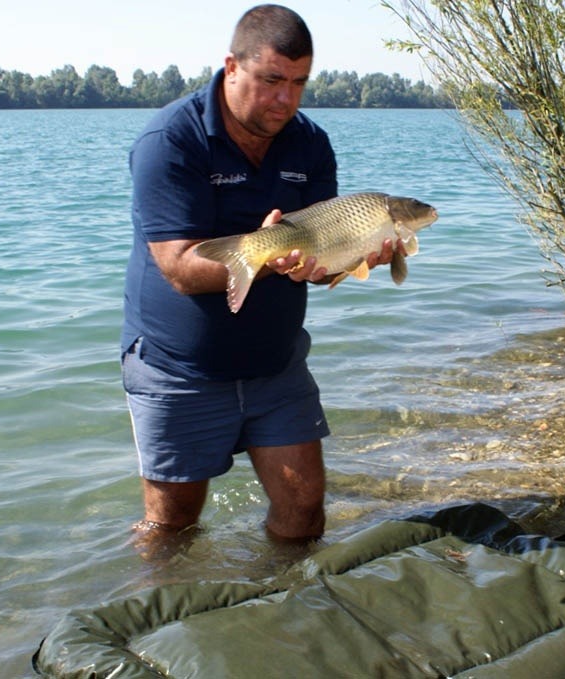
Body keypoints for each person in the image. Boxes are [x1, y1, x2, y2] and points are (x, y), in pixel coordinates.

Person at [121, 4, 401, 558]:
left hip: (277, 365)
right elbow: (178, 268)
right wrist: (262, 257)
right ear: (231, 66)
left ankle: (287, 616)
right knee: (170, 529)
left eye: (299, 83)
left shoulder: (310, 145)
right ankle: (161, 629)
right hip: (180, 369)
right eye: (272, 80)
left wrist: (357, 257)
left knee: (304, 511)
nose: (286, 99)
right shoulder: (170, 143)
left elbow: (321, 265)